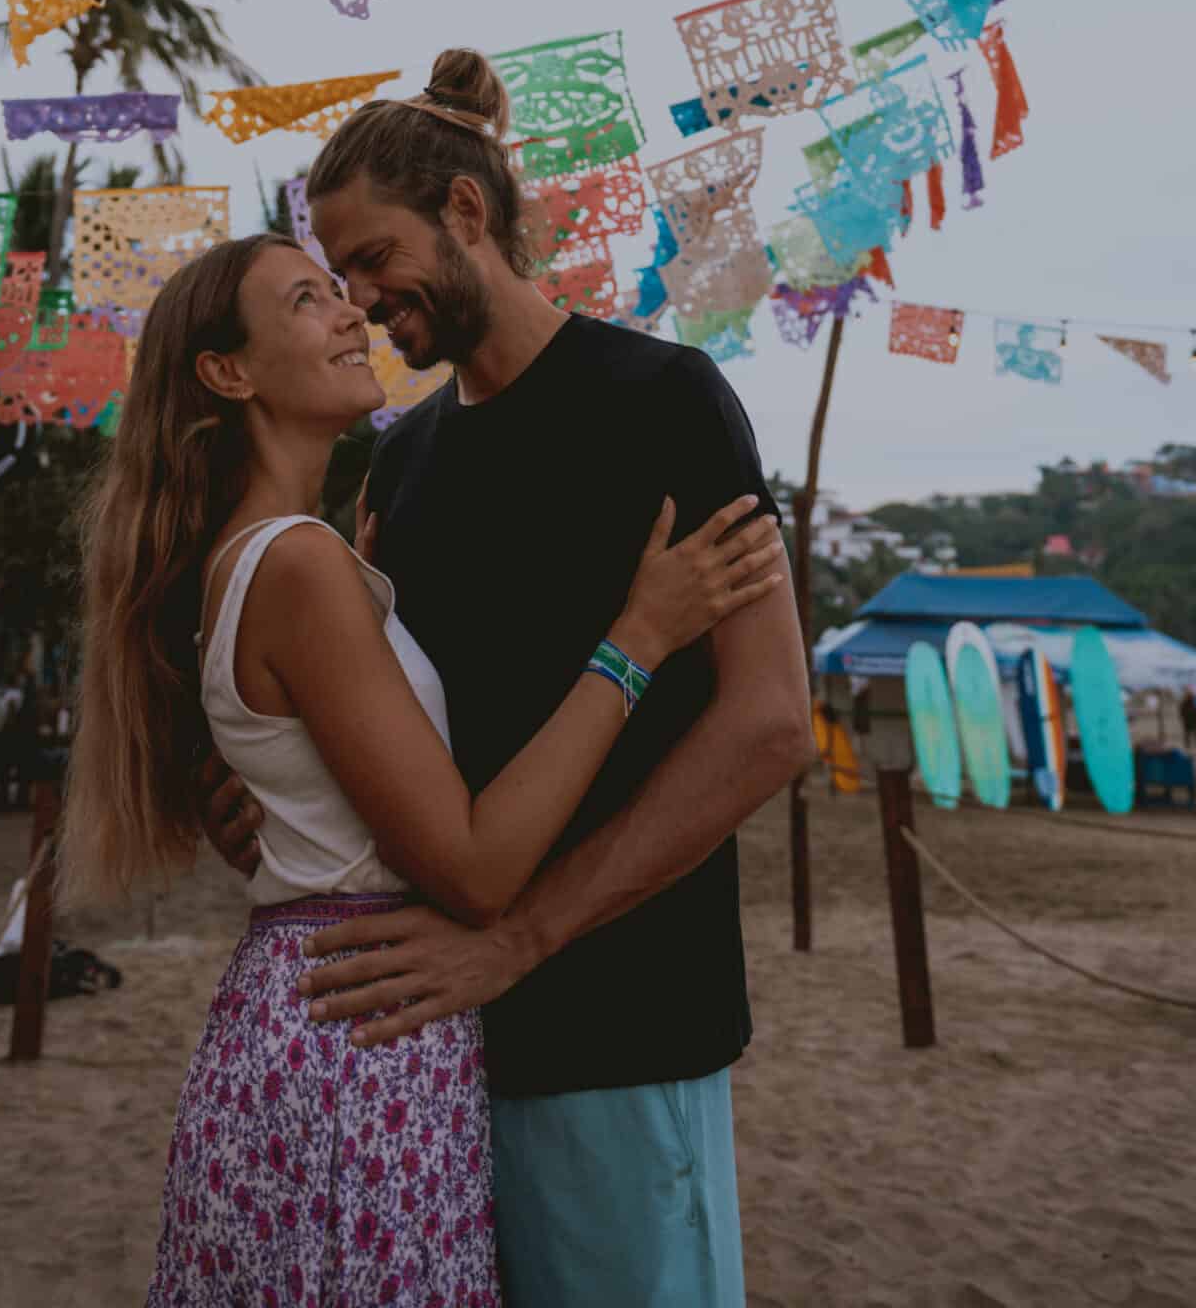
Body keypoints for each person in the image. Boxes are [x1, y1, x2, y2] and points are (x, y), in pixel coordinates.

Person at [59, 229, 781, 1307]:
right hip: (362, 1038)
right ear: (229, 371)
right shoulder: (300, 566)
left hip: (332, 1014)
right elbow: (476, 869)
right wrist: (638, 634)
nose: (352, 307)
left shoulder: (311, 550)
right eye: (310, 296)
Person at [202, 49, 814, 1307]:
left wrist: (521, 938)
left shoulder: (664, 399)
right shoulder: (404, 461)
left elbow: (766, 721)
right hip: (428, 1055)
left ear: (466, 215)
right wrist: (273, 797)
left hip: (620, 1028)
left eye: (373, 260)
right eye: (339, 276)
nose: (363, 300)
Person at [1179, 686, 1196, 753]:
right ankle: (1188, 747)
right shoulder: (1185, 703)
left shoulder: (1194, 703)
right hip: (1188, 721)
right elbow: (1182, 712)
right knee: (1189, 735)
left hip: (1192, 721)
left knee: (1195, 735)